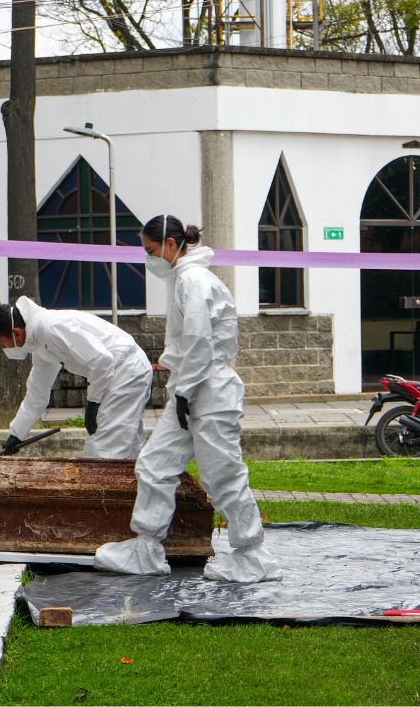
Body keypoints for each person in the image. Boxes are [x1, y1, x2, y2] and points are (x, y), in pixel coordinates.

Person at [94, 215, 281, 583]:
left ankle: (252, 555)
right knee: (154, 464)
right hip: (192, 390)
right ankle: (146, 547)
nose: (149, 258)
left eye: (150, 250)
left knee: (222, 474)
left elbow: (199, 342)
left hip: (207, 391)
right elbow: (190, 343)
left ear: (169, 245)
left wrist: (184, 390)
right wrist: (176, 377)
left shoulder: (193, 281)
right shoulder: (185, 280)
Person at [0, 297, 154, 460]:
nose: (5, 349)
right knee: (127, 447)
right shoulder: (39, 345)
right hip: (117, 374)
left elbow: (102, 360)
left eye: (3, 345)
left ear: (16, 333)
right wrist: (16, 434)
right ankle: (134, 486)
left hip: (126, 370)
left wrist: (93, 401)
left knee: (104, 449)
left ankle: (101, 488)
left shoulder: (51, 328)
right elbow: (36, 395)